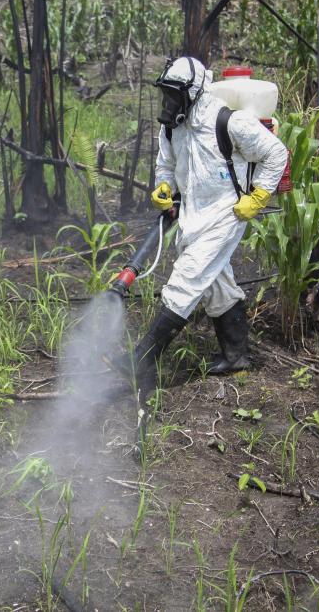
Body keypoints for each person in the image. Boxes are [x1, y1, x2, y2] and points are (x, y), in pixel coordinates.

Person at [130, 56, 287, 431]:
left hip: (228, 212)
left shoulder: (229, 121)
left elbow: (276, 153)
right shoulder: (172, 127)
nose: (169, 102)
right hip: (193, 214)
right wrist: (165, 186)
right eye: (166, 94)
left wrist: (259, 196)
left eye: (175, 94)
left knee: (186, 279)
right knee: (216, 281)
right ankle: (236, 357)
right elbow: (166, 164)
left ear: (195, 92)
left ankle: (141, 360)